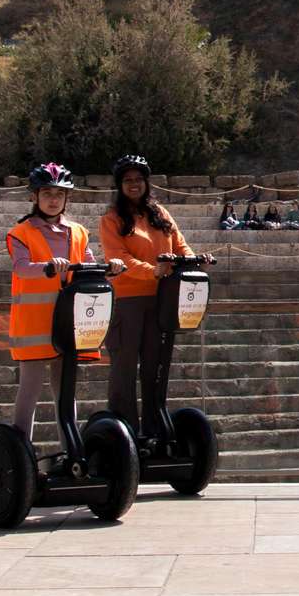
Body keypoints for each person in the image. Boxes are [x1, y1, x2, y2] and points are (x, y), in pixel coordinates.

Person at [6, 163, 124, 440]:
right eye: (47, 193)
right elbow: (21, 267)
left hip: (69, 322)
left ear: (67, 198)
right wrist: (47, 266)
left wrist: (111, 268)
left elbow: (89, 265)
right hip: (35, 327)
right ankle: (20, 452)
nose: (53, 199)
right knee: (29, 391)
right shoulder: (20, 232)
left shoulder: (78, 232)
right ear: (34, 196)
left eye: (59, 194)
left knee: (65, 392)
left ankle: (69, 448)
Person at [99, 154, 192, 436]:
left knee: (155, 367)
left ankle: (154, 430)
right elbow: (118, 257)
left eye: (138, 179)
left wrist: (194, 260)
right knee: (125, 368)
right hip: (128, 301)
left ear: (146, 182)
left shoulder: (160, 214)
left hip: (160, 300)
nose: (134, 184)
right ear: (119, 185)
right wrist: (152, 271)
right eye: (127, 180)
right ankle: (124, 433)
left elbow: (180, 245)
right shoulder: (112, 219)